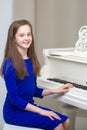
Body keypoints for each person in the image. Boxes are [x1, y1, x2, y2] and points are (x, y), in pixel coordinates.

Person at [0, 19, 73, 130]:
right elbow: (14, 98)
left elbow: (33, 90)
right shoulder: (9, 64)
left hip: (28, 107)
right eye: (21, 35)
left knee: (66, 121)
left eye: (29, 34)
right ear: (14, 39)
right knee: (58, 125)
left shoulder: (31, 60)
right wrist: (41, 111)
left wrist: (56, 90)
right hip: (14, 112)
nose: (26, 38)